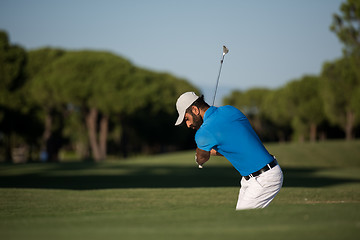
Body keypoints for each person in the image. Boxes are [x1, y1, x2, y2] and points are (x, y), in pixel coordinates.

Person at [175, 92, 283, 210]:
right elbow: (237, 147)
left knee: (241, 222)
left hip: (263, 179)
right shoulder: (230, 110)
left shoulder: (203, 133)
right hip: (254, 177)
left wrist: (199, 159)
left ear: (195, 110)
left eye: (187, 119)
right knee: (244, 221)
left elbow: (201, 157)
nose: (188, 124)